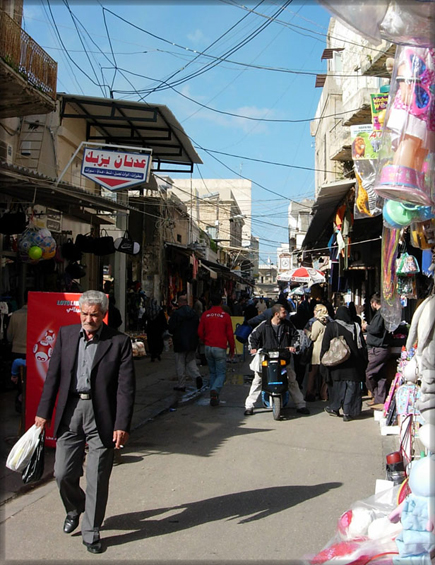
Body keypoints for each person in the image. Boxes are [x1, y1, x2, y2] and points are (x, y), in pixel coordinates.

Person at [34, 290, 135, 554]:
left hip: (102, 414)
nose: (88, 319)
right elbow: (53, 377)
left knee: (97, 477)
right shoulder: (66, 335)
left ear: (103, 315)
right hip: (70, 411)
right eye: (85, 314)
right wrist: (43, 413)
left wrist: (122, 424)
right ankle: (74, 507)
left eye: (94, 315)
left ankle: (91, 531)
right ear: (79, 312)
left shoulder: (119, 342)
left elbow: (126, 387)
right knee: (63, 473)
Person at [244, 304, 310, 416]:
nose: (286, 314)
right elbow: (252, 337)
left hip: (284, 359)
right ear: (276, 314)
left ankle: (300, 405)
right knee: (258, 380)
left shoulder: (288, 325)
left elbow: (296, 337)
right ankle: (249, 406)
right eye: (284, 312)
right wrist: (253, 348)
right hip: (266, 359)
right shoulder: (264, 325)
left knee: (291, 380)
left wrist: (293, 346)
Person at [320, 306, 368, 421]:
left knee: (338, 387)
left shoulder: (332, 326)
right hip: (354, 362)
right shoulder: (356, 326)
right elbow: (361, 346)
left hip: (338, 363)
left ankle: (335, 407)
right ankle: (348, 412)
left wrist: (323, 359)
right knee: (352, 388)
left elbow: (325, 344)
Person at [198, 293, 235, 406]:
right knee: (221, 373)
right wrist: (232, 349)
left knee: (213, 372)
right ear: (221, 302)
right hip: (220, 347)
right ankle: (215, 389)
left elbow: (199, 332)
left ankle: (214, 396)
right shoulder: (225, 316)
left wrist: (205, 341)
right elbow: (230, 335)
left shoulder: (205, 315)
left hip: (208, 347)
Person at [362, 294, 392, 406]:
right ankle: (380, 399)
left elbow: (375, 329)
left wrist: (366, 327)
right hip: (379, 348)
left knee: (369, 373)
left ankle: (375, 394)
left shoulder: (380, 314)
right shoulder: (383, 314)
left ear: (374, 303)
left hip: (378, 349)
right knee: (380, 375)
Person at [168, 294, 203, 392]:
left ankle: (181, 384)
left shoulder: (177, 314)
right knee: (190, 360)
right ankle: (197, 376)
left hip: (180, 342)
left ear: (179, 303)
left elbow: (171, 328)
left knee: (180, 363)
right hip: (192, 342)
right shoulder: (194, 313)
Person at [7, 293, 28, 413]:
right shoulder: (37, 314)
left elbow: (9, 336)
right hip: (30, 352)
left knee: (19, 380)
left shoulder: (15, 315)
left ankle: (20, 400)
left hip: (16, 351)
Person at [305, 304, 330, 402]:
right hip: (326, 352)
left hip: (316, 353)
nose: (314, 312)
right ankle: (324, 394)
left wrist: (307, 332)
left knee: (313, 374)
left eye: (315, 311)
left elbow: (312, 337)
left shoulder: (316, 323)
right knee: (324, 375)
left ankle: (310, 394)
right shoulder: (328, 322)